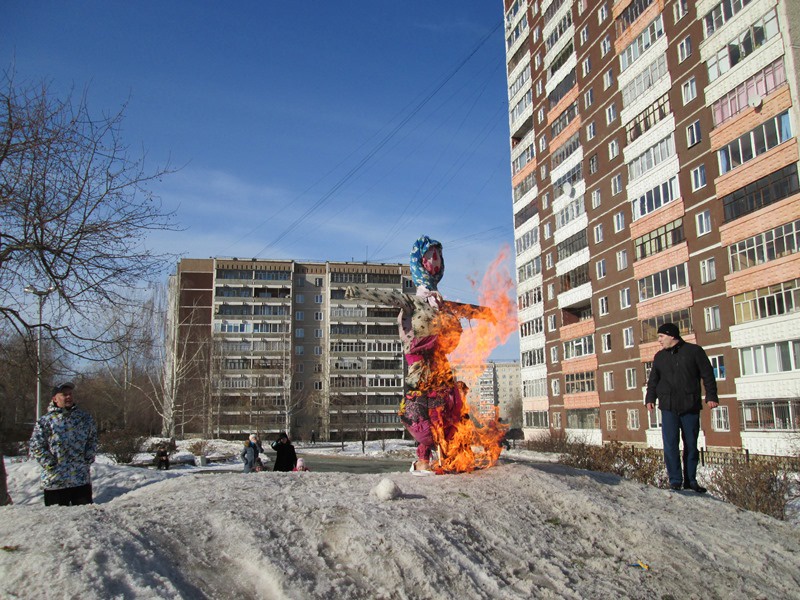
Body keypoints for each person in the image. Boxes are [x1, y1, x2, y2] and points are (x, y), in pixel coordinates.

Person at [346, 235, 494, 474]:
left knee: (452, 411)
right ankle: (422, 460)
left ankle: (452, 456)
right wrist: (357, 291)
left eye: (438, 257)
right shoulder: (413, 303)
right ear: (420, 262)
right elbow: (389, 298)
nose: (435, 261)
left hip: (441, 368)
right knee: (426, 414)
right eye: (429, 257)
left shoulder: (441, 304)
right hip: (421, 371)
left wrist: (487, 313)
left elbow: (466, 310)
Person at [645, 323, 719, 493]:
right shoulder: (660, 357)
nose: (659, 340)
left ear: (672, 336)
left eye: (661, 336)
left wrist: (711, 396)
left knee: (691, 445)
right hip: (668, 407)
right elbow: (653, 380)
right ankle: (675, 480)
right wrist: (650, 398)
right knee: (670, 444)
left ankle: (691, 480)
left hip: (690, 406)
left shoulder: (694, 352)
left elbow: (707, 374)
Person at [29, 381, 98, 506]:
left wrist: (88, 457)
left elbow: (92, 439)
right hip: (55, 482)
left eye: (70, 394)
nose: (68, 397)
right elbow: (36, 445)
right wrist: (50, 464)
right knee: (58, 521)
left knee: (85, 519)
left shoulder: (84, 418)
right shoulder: (45, 421)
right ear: (55, 398)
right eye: (64, 395)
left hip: (80, 480)